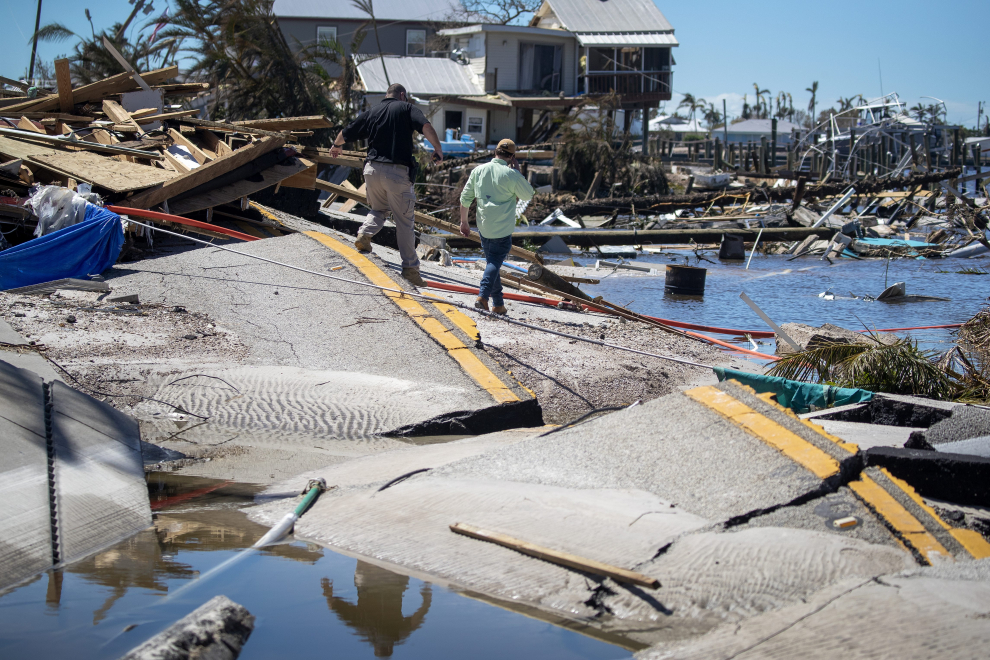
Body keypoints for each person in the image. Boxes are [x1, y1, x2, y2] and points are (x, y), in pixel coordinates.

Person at [329, 83, 443, 287]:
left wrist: (336, 146)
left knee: (378, 209)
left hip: (372, 170)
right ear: (402, 95)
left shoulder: (372, 111)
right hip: (397, 172)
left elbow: (347, 132)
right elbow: (426, 126)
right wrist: (438, 149)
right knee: (404, 222)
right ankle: (410, 270)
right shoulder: (407, 108)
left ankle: (364, 234)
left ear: (386, 95)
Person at [458, 138, 534, 315]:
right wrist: (518, 172)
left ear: (495, 152)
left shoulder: (479, 171)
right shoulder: (512, 174)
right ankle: (483, 297)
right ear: (512, 156)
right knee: (494, 262)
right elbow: (528, 194)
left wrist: (463, 222)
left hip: (484, 226)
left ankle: (498, 304)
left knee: (493, 263)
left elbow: (465, 198)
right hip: (502, 229)